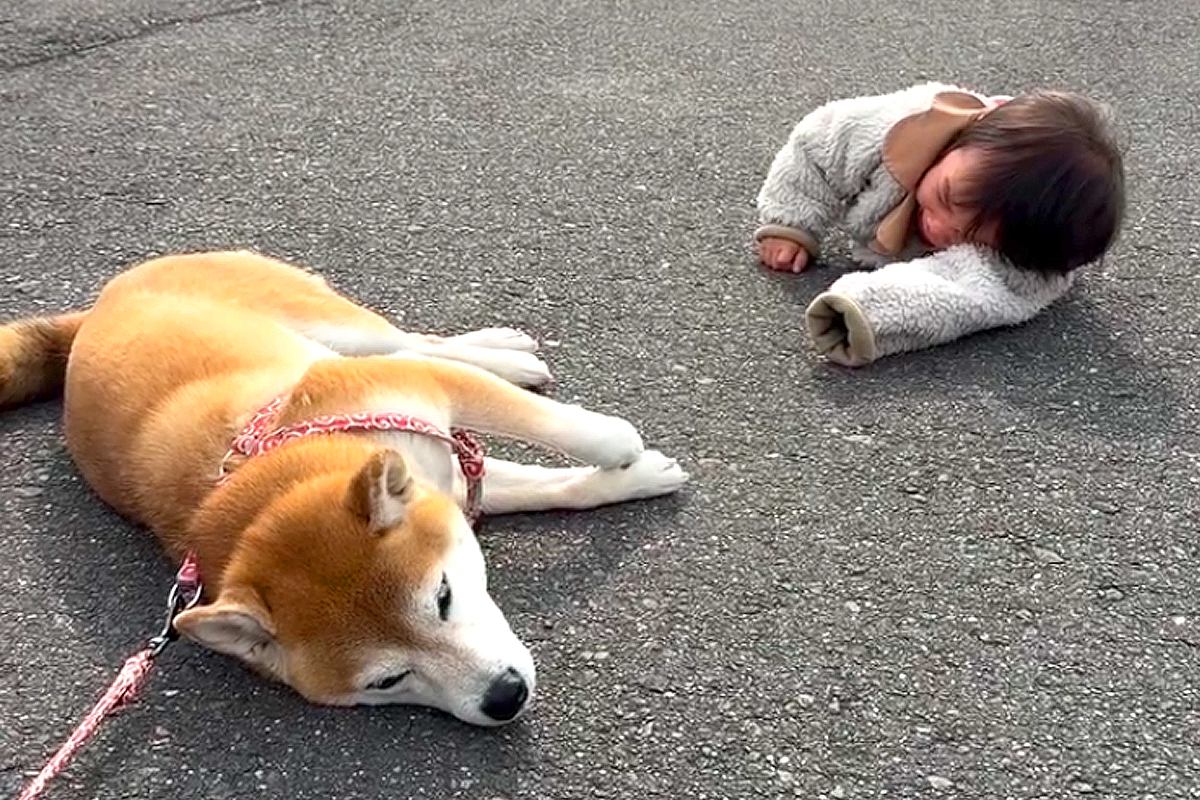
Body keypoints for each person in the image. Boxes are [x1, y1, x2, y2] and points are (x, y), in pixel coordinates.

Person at [754, 82, 1125, 366]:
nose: (941, 226)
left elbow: (957, 295)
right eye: (947, 196)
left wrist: (868, 310)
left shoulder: (1023, 261)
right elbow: (816, 148)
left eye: (971, 237)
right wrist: (790, 223)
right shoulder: (897, 130)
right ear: (958, 141)